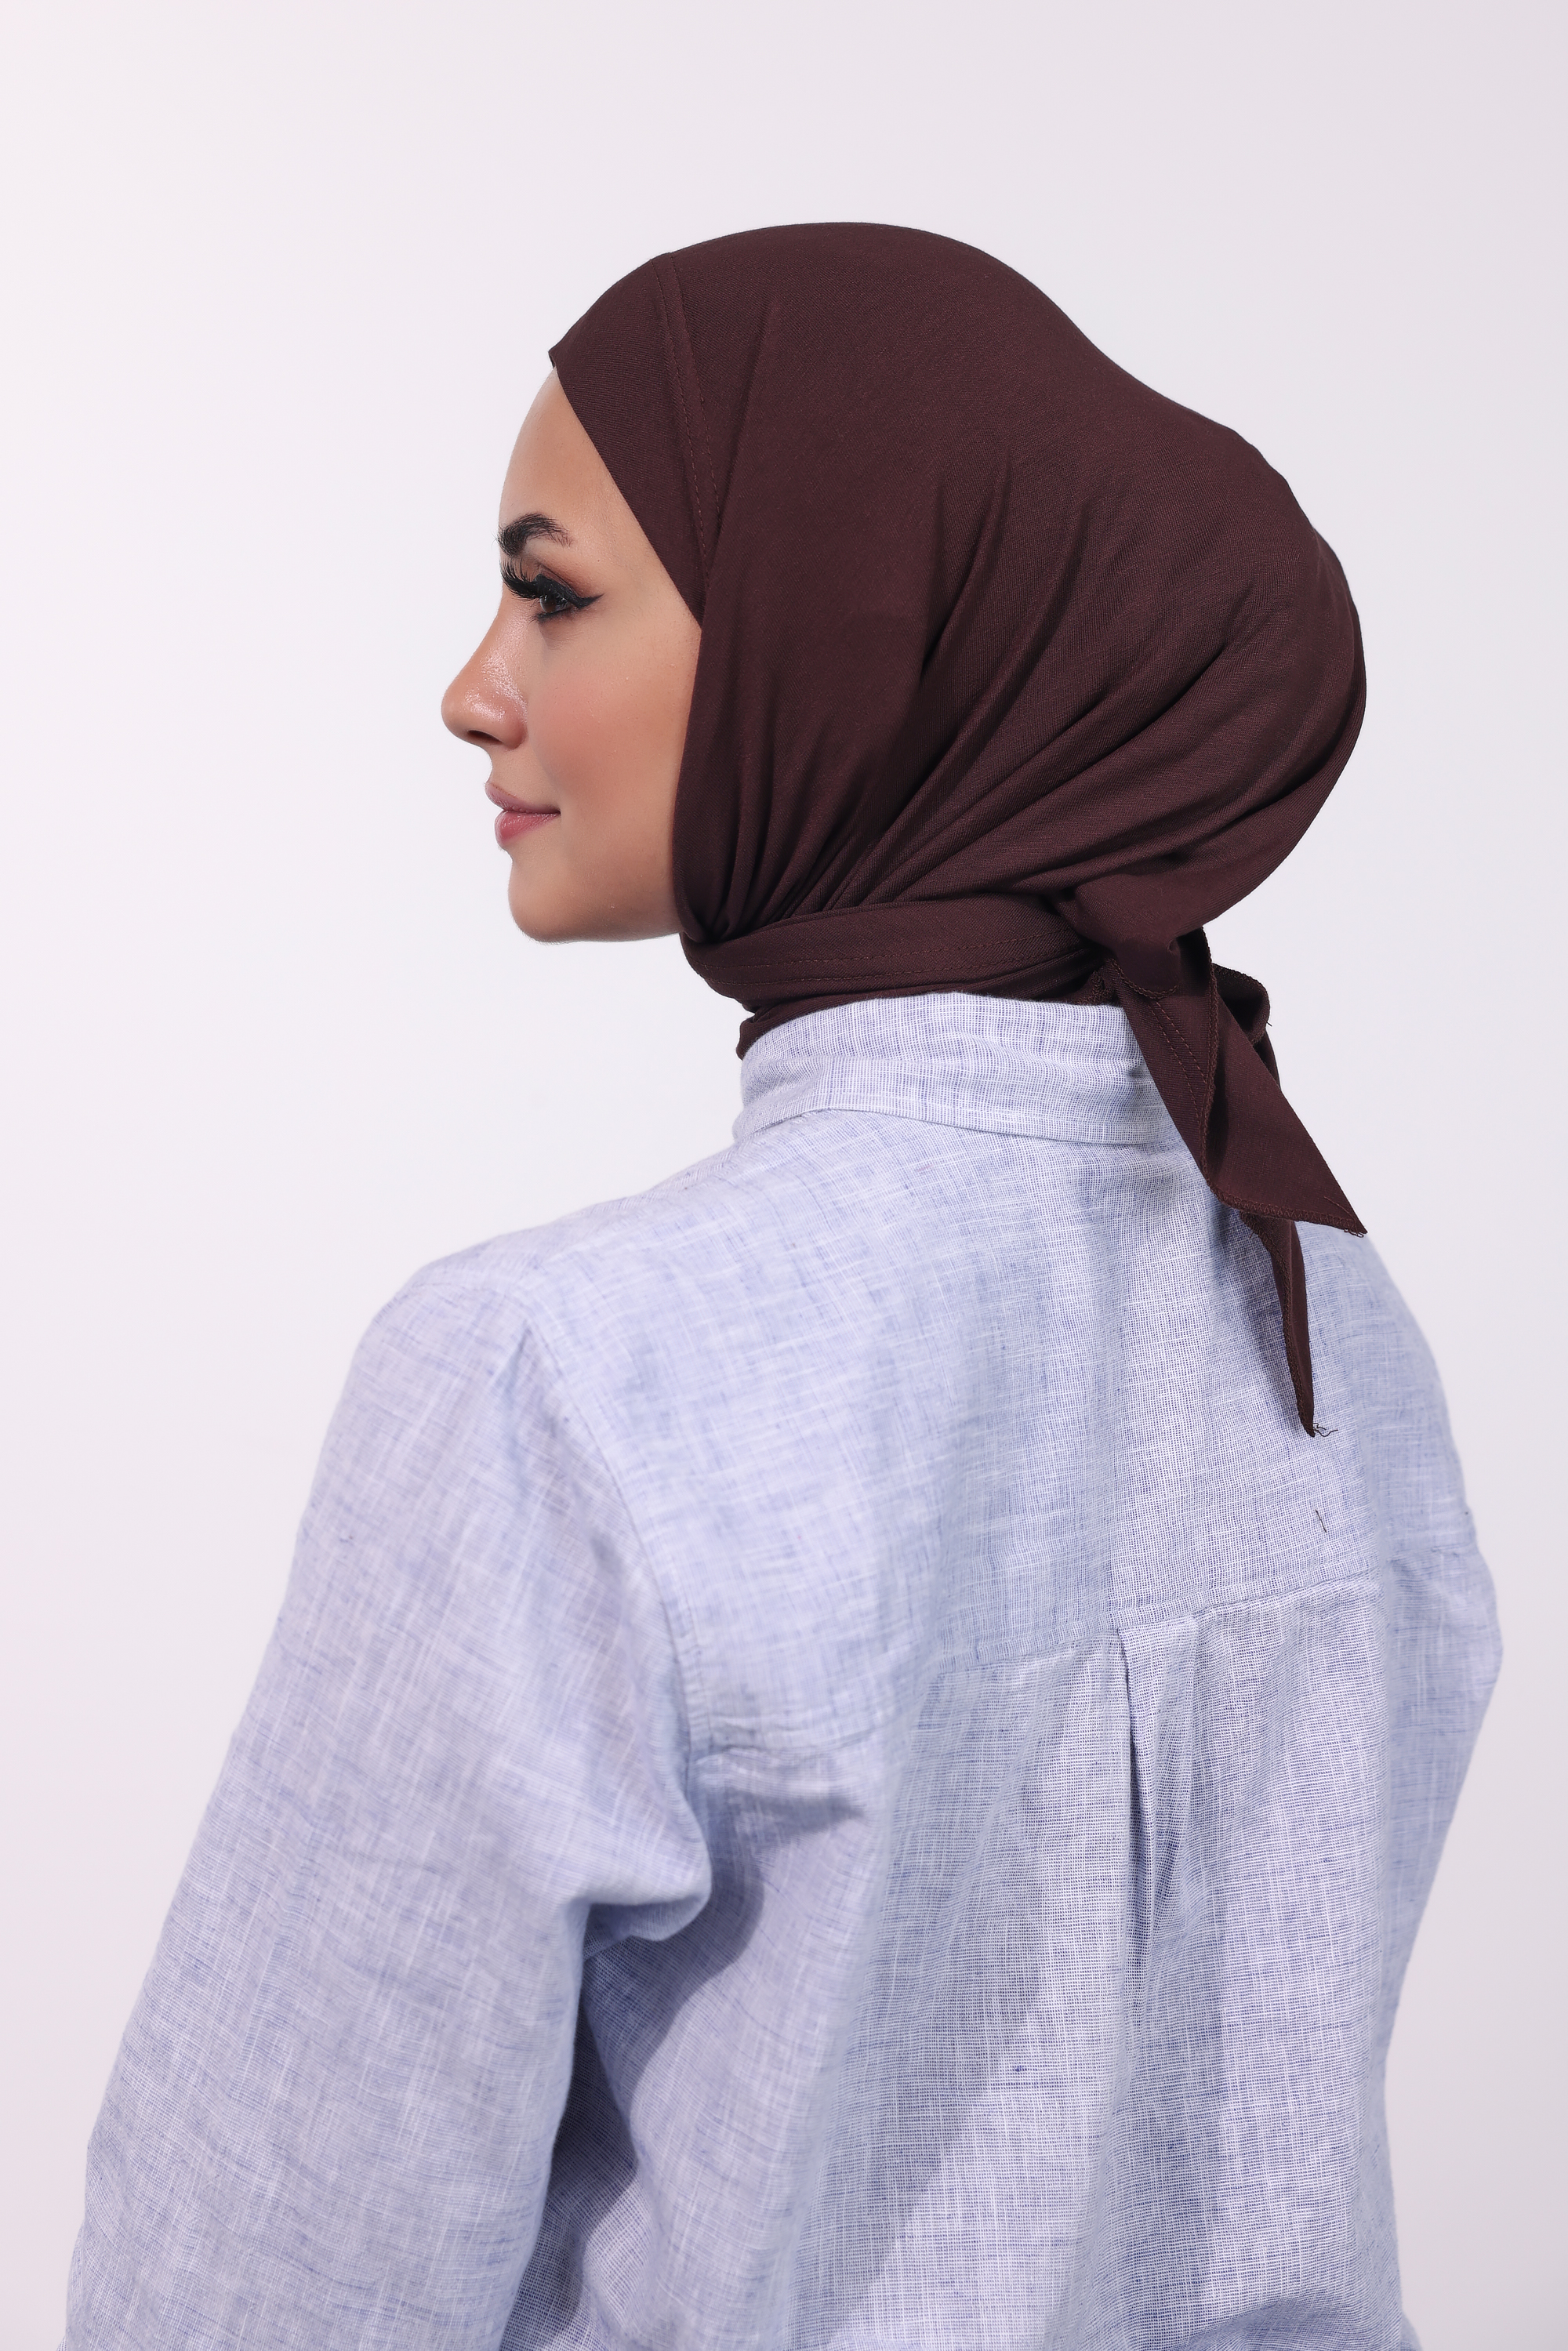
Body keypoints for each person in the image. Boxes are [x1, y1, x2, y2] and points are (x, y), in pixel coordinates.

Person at [62, 225, 1500, 2351]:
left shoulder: (548, 1382)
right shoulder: (1331, 1324)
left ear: (846, 626)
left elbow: (267, 2287)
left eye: (552, 592)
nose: (474, 687)